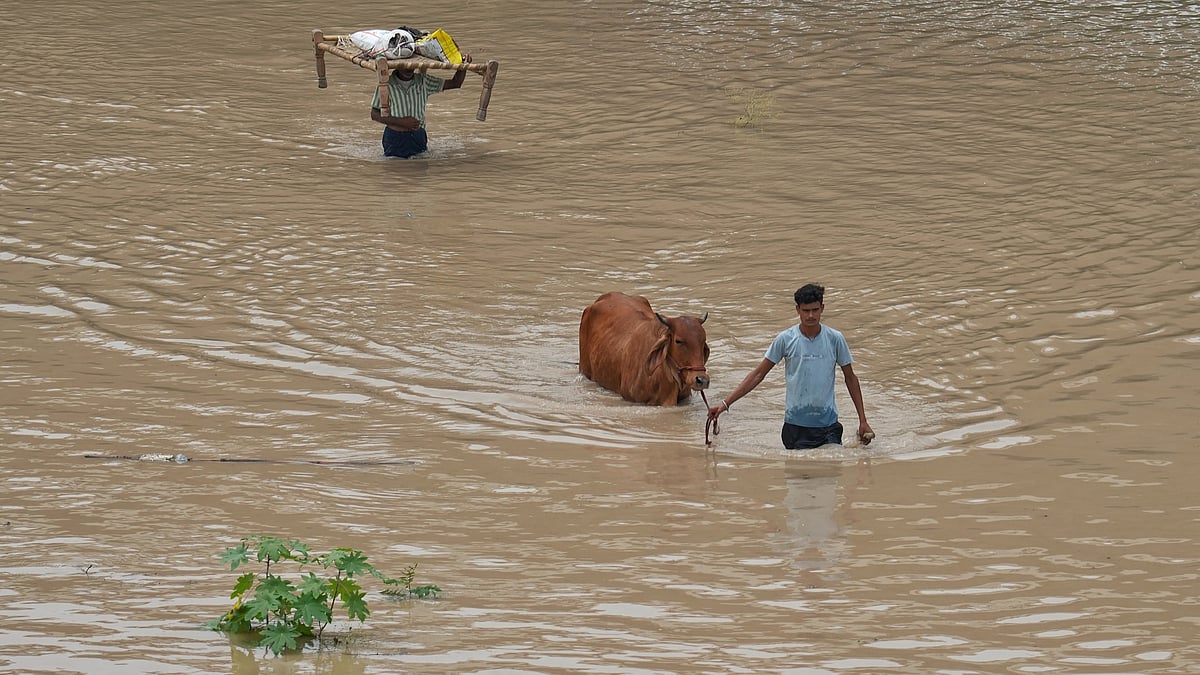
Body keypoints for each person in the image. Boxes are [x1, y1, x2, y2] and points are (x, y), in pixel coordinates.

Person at [707, 284, 875, 450]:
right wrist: (725, 404)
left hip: (828, 427)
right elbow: (758, 374)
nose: (811, 316)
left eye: (815, 310)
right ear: (797, 310)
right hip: (795, 427)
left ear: (822, 308)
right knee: (797, 475)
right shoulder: (785, 339)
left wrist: (863, 420)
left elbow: (850, 378)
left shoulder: (835, 339)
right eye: (806, 311)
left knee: (829, 472)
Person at [369, 54, 472, 158]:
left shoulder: (423, 81)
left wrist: (463, 66)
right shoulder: (386, 85)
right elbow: (374, 114)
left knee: (420, 170)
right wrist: (401, 122)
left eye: (412, 66)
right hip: (395, 137)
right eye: (405, 66)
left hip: (417, 136)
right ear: (397, 66)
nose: (409, 69)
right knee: (394, 169)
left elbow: (456, 83)